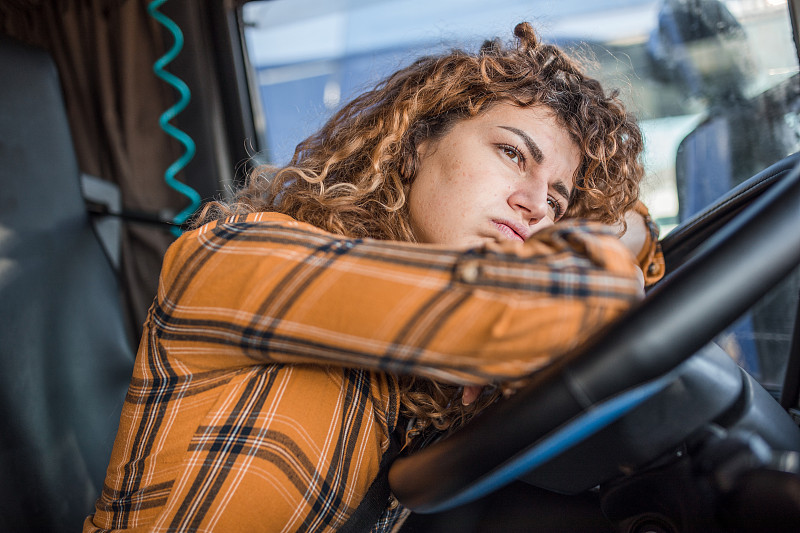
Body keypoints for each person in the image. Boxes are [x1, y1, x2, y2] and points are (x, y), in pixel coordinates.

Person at [84, 22, 664, 532]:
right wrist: (607, 242)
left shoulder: (429, 382)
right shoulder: (234, 256)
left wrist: (613, 230)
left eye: (559, 202)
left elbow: (613, 266)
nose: (537, 204)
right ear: (413, 148)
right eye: (514, 154)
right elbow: (552, 302)